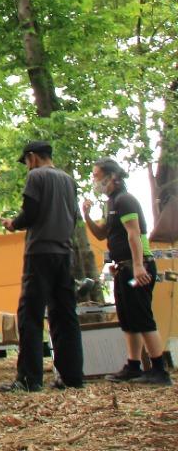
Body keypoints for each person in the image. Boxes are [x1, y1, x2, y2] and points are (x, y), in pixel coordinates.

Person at [0, 140, 84, 392]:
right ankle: (72, 377)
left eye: (25, 161)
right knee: (65, 315)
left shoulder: (37, 176)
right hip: (65, 254)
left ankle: (29, 379)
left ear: (33, 157)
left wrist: (13, 223)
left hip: (40, 253)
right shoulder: (68, 180)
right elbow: (74, 216)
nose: (26, 167)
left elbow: (30, 213)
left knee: (31, 315)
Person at [82, 158, 173, 386]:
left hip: (137, 269)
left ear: (112, 177)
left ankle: (159, 370)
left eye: (96, 175)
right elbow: (102, 234)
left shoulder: (126, 200)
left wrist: (138, 264)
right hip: (123, 268)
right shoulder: (111, 203)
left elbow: (134, 234)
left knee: (142, 316)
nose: (94, 181)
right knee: (128, 317)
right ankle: (133, 366)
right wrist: (86, 215)